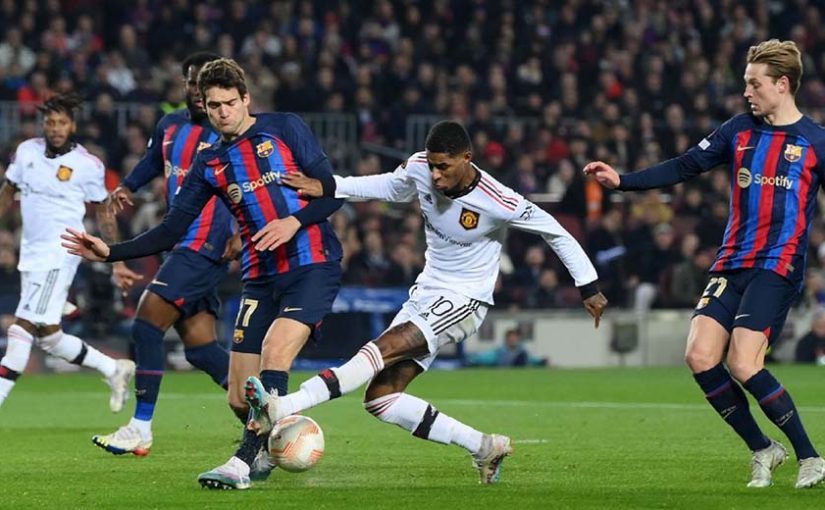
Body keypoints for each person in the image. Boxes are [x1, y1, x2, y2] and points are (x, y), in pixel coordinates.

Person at [243, 120, 607, 484]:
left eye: (443, 167)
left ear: (467, 158)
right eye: (432, 165)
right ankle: (484, 446)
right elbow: (389, 185)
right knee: (381, 398)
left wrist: (588, 286)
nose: (435, 175)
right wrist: (331, 185)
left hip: (465, 300)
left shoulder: (499, 200)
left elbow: (555, 232)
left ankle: (282, 406)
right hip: (426, 294)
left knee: (381, 349)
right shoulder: (420, 166)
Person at [61, 58, 343, 490]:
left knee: (274, 351)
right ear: (205, 107)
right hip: (260, 275)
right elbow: (172, 229)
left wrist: (294, 221)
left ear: (246, 99)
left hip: (311, 262)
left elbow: (333, 192)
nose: (223, 112)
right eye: (214, 106)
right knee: (238, 395)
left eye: (230, 103)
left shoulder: (284, 128)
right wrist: (111, 252)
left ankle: (241, 464)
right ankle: (277, 436)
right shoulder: (210, 162)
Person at [584, 39, 825, 489]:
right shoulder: (738, 130)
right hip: (731, 261)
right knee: (698, 356)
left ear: (782, 84)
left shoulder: (815, 142)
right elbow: (685, 166)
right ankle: (763, 448)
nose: (747, 92)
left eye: (755, 84)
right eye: (745, 84)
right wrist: (622, 182)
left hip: (777, 266)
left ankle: (810, 457)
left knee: (744, 363)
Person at [91, 52, 239, 457]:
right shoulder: (170, 125)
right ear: (184, 85)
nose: (196, 90)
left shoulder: (229, 132)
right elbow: (153, 161)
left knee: (145, 325)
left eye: (203, 83)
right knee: (201, 349)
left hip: (204, 244)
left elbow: (253, 186)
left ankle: (140, 427)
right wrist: (128, 186)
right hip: (178, 242)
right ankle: (269, 416)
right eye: (191, 82)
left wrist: (241, 232)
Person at [0, 94, 138, 410]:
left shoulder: (87, 165)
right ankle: (113, 368)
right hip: (31, 253)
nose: (56, 128)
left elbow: (104, 212)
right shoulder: (26, 151)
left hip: (60, 253)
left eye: (62, 122)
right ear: (43, 125)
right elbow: (8, 192)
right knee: (49, 336)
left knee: (21, 327)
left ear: (72, 125)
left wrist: (116, 259)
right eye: (50, 122)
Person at [466, 328, 548, 367]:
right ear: (507, 339)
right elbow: (486, 357)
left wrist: (541, 361)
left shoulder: (522, 351)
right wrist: (474, 359)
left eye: (514, 338)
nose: (513, 340)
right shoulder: (501, 351)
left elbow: (531, 359)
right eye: (511, 338)